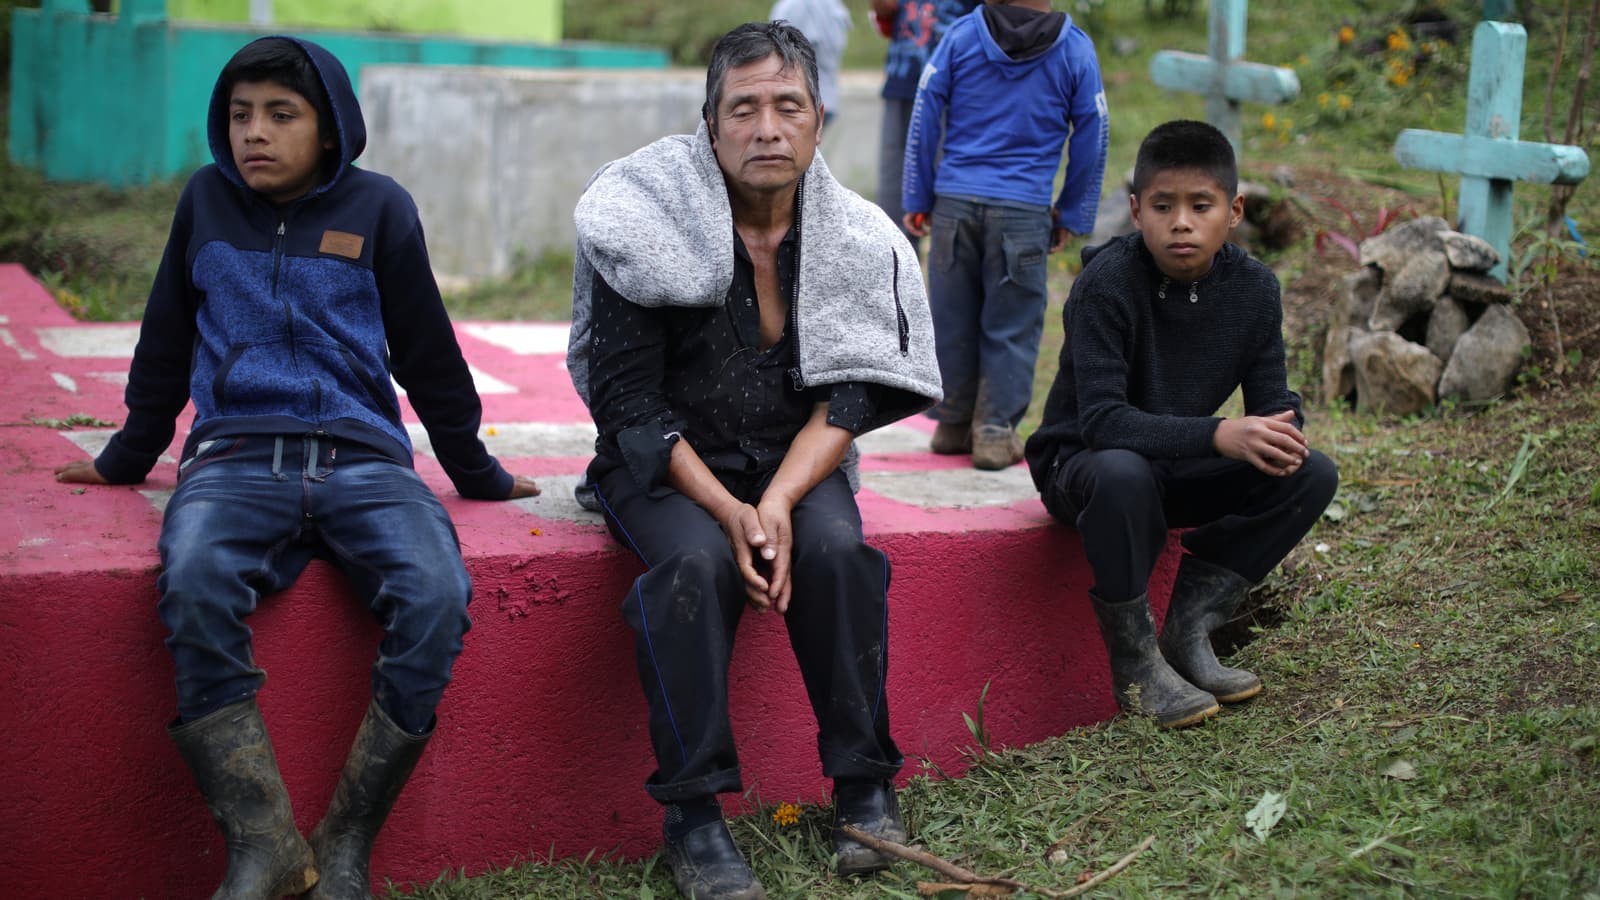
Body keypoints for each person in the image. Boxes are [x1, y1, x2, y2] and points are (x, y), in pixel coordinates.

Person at [53, 36, 539, 899]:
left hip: (366, 462)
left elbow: (428, 353)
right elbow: (165, 337)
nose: (255, 133)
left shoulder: (381, 209)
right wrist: (128, 454)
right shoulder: (205, 202)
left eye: (282, 114)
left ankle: (347, 838)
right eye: (241, 114)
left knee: (437, 594)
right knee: (194, 580)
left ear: (330, 128)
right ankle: (262, 839)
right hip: (235, 458)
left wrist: (477, 472)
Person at [566, 21, 942, 900]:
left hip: (791, 457)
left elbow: (850, 397)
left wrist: (775, 500)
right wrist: (731, 511)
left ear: (819, 120)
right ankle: (694, 818)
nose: (767, 129)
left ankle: (865, 789)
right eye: (743, 109)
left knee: (839, 552)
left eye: (788, 106)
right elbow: (626, 406)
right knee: (695, 565)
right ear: (710, 125)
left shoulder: (856, 236)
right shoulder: (642, 217)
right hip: (663, 463)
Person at [1024, 120, 1339, 729]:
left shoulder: (1254, 290)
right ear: (1136, 211)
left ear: (1234, 211)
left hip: (1174, 467)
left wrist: (1279, 429)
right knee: (1123, 471)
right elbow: (1102, 422)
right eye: (1163, 206)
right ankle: (1136, 662)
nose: (1182, 223)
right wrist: (1219, 433)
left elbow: (1272, 398)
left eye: (1201, 206)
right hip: (1086, 469)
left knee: (1310, 474)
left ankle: (1190, 625)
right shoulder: (1106, 285)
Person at [901, 0, 1108, 470]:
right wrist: (1071, 212)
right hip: (1023, 212)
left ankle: (952, 422)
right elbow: (1093, 131)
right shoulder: (1075, 49)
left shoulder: (960, 37)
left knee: (951, 317)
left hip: (954, 207)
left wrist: (918, 195)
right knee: (1012, 325)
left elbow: (925, 107)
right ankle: (994, 433)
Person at [870, 0, 981, 248]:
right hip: (903, 79)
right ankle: (894, 254)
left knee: (947, 177)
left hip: (954, 90)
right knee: (894, 182)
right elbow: (885, 15)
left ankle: (949, 252)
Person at [770, 0, 852, 126]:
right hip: (827, 98)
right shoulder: (834, 6)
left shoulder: (791, 6)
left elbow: (776, 46)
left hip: (798, 102)